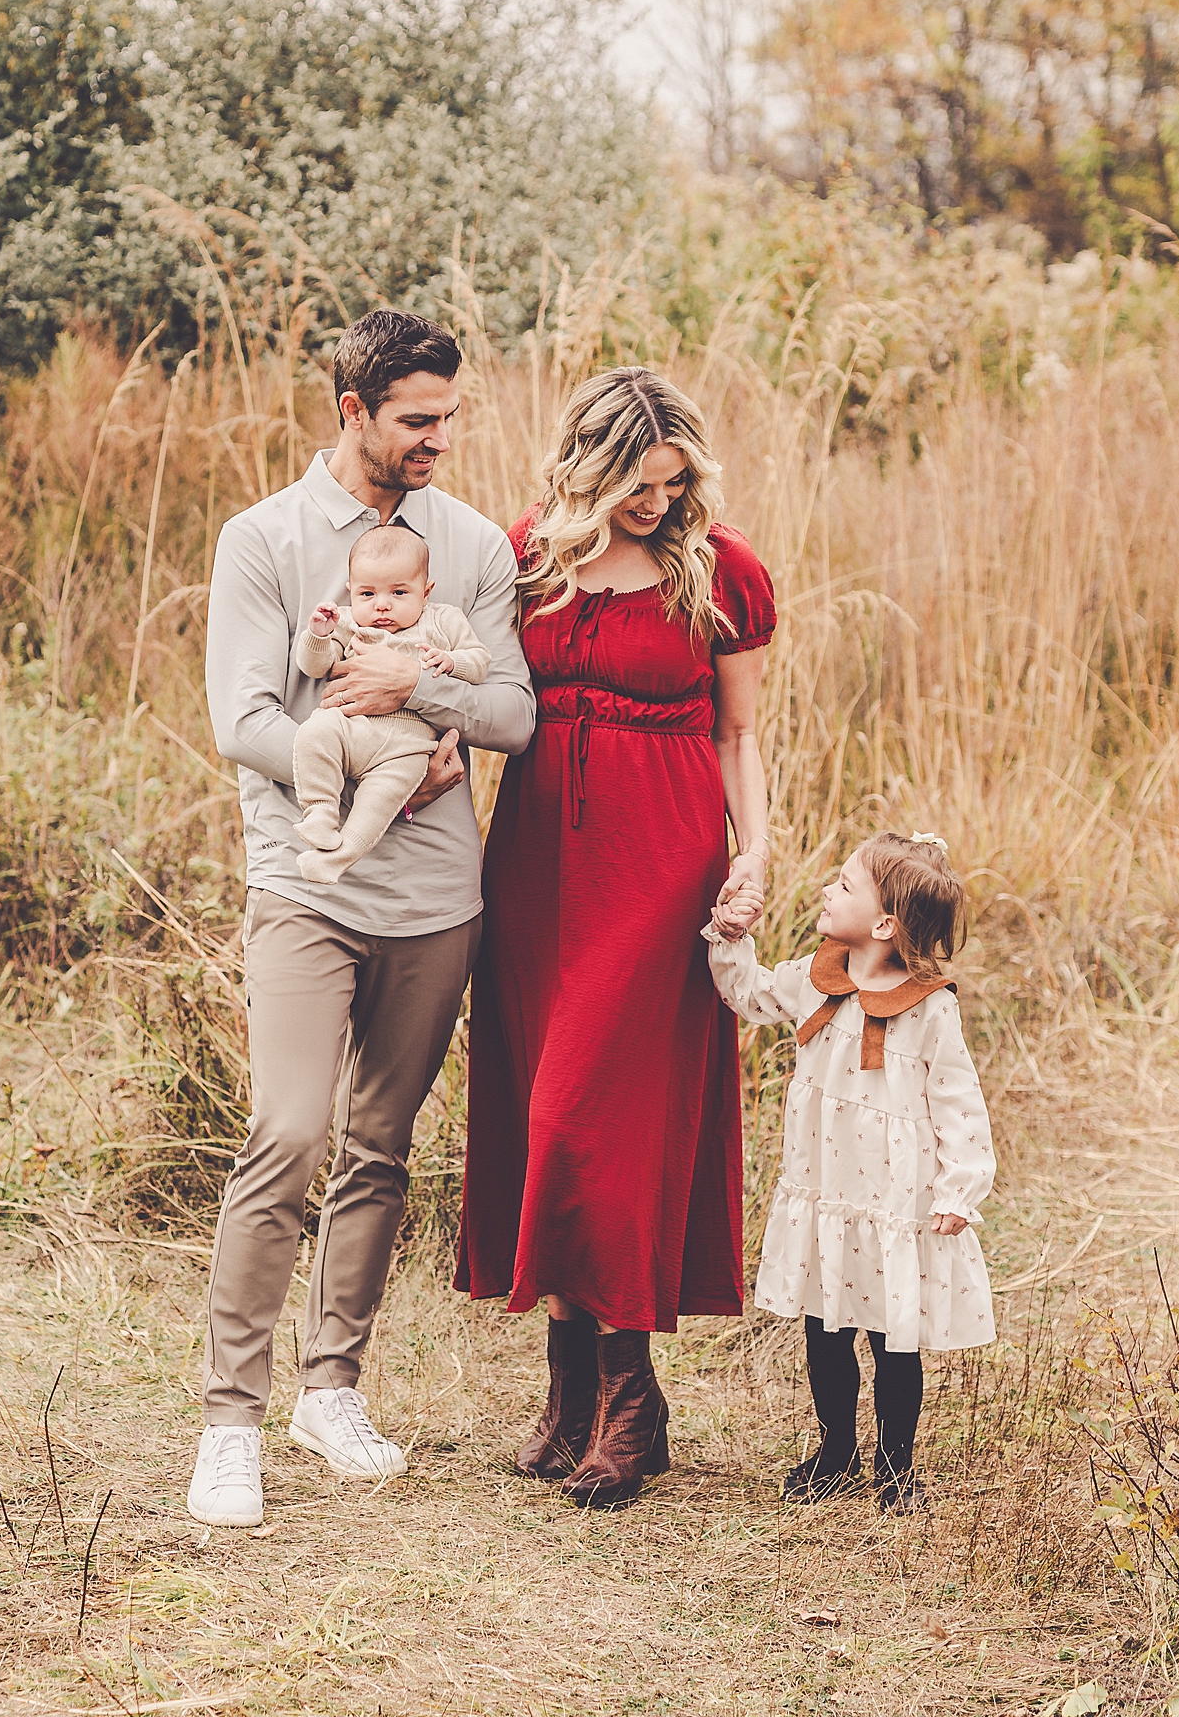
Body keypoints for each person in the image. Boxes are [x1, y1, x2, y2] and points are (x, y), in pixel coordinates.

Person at [191, 307, 534, 1528]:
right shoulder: (261, 538)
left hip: (438, 900)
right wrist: (352, 764)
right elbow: (240, 720)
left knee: (379, 1145)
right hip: (305, 884)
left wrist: (417, 684)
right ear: (353, 413)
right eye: (417, 420)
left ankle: (329, 1386)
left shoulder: (475, 545)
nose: (441, 438)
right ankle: (230, 1415)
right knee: (284, 1133)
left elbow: (514, 716)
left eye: (450, 417)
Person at [457, 366, 774, 1510]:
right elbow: (481, 693)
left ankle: (630, 1398)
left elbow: (738, 735)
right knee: (541, 1110)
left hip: (658, 864)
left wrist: (754, 854)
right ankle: (568, 1393)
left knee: (595, 1120)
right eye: (639, 485)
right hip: (537, 862)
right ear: (591, 468)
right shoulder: (524, 552)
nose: (658, 504)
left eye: (674, 482)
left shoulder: (717, 565)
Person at [705, 832, 996, 1512]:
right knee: (825, 1327)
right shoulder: (814, 975)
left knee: (896, 1340)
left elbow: (959, 1102)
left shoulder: (930, 1006)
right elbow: (747, 992)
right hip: (827, 1192)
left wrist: (959, 1188)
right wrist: (728, 933)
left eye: (843, 886)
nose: (825, 893)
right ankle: (836, 1451)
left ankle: (897, 1467)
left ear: (885, 923)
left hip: (896, 1203)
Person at [290, 525, 491, 884]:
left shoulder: (442, 621)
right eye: (367, 593)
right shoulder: (349, 623)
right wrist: (318, 635)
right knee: (314, 732)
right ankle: (320, 812)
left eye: (399, 592)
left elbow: (479, 661)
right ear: (351, 591)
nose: (382, 604)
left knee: (378, 804)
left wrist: (451, 661)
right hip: (352, 727)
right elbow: (314, 666)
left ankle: (336, 860)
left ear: (425, 592)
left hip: (407, 747)